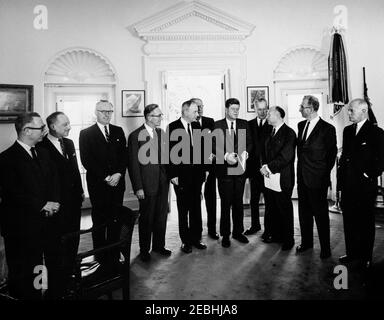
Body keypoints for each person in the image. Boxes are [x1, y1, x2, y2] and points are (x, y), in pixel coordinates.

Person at [0, 112, 60, 299]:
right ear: (26, 130)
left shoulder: (42, 152)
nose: (44, 130)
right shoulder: (6, 159)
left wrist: (54, 202)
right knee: (21, 272)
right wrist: (42, 205)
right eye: (41, 127)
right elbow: (13, 193)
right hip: (20, 228)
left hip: (45, 224)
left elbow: (53, 181)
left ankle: (38, 294)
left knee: (38, 267)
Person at [37, 111, 84, 292]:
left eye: (69, 123)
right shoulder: (41, 147)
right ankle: (56, 283)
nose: (69, 127)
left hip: (74, 203)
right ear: (53, 126)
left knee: (74, 239)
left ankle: (71, 273)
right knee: (55, 244)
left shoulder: (70, 143)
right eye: (65, 124)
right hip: (56, 206)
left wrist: (80, 192)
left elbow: (74, 170)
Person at [79, 100, 126, 271]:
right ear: (96, 112)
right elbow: (87, 160)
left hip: (118, 183)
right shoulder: (86, 133)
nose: (107, 114)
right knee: (99, 221)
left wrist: (119, 174)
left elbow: (124, 156)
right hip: (99, 185)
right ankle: (99, 256)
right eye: (103, 111)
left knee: (116, 219)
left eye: (110, 111)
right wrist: (107, 177)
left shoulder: (118, 131)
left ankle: (114, 254)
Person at [338, 98, 384, 270]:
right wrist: (341, 184)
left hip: (365, 187)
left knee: (365, 223)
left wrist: (368, 174)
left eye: (351, 110)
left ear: (364, 111)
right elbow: (345, 158)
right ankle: (352, 253)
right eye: (349, 110)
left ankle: (366, 257)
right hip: (348, 186)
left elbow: (381, 160)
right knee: (349, 221)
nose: (348, 113)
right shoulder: (348, 131)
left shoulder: (376, 132)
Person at [127, 104, 170, 262]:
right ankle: (145, 249)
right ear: (148, 117)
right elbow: (133, 164)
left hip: (163, 183)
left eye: (160, 115)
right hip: (146, 185)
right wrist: (138, 187)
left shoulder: (161, 133)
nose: (160, 118)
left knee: (161, 216)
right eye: (157, 115)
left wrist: (170, 177)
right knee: (146, 218)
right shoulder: (135, 135)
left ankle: (159, 246)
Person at [296, 95, 337, 259]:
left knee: (320, 215)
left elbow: (331, 155)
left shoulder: (327, 128)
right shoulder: (300, 125)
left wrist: (322, 174)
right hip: (302, 178)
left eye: (302, 106)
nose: (300, 108)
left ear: (311, 108)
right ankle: (306, 243)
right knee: (304, 212)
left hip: (318, 179)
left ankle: (325, 249)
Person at [168, 99, 206, 254]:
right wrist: (173, 174)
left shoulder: (197, 126)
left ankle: (196, 238)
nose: (198, 114)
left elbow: (202, 150)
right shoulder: (172, 127)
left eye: (198, 111)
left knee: (196, 208)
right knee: (183, 210)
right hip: (181, 176)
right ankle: (186, 241)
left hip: (196, 175)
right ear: (185, 111)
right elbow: (168, 152)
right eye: (195, 111)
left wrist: (204, 172)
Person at [214, 98, 252, 248]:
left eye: (238, 108)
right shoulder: (217, 125)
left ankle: (238, 232)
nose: (236, 111)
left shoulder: (244, 124)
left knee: (238, 203)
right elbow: (212, 146)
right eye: (233, 109)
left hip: (240, 170)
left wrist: (246, 152)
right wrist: (224, 156)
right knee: (225, 204)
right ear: (226, 109)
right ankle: (225, 235)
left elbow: (250, 143)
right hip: (224, 171)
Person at [260, 106, 296, 251]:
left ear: (279, 115)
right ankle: (272, 234)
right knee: (270, 207)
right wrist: (263, 166)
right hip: (268, 176)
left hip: (282, 178)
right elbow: (263, 151)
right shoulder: (268, 131)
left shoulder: (289, 133)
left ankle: (288, 239)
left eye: (269, 114)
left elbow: (286, 156)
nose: (266, 116)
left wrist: (268, 167)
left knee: (284, 208)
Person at [192, 97, 219, 240]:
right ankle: (196, 231)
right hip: (195, 167)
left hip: (210, 165)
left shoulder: (210, 121)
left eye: (202, 106)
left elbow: (214, 142)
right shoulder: (188, 122)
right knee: (195, 199)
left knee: (211, 198)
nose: (201, 109)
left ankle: (212, 229)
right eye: (197, 106)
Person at [246, 98, 272, 237]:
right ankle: (255, 225)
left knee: (269, 201)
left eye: (264, 109)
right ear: (254, 109)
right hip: (253, 170)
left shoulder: (272, 123)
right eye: (259, 109)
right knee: (254, 200)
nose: (262, 112)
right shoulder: (248, 125)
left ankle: (269, 230)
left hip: (268, 170)